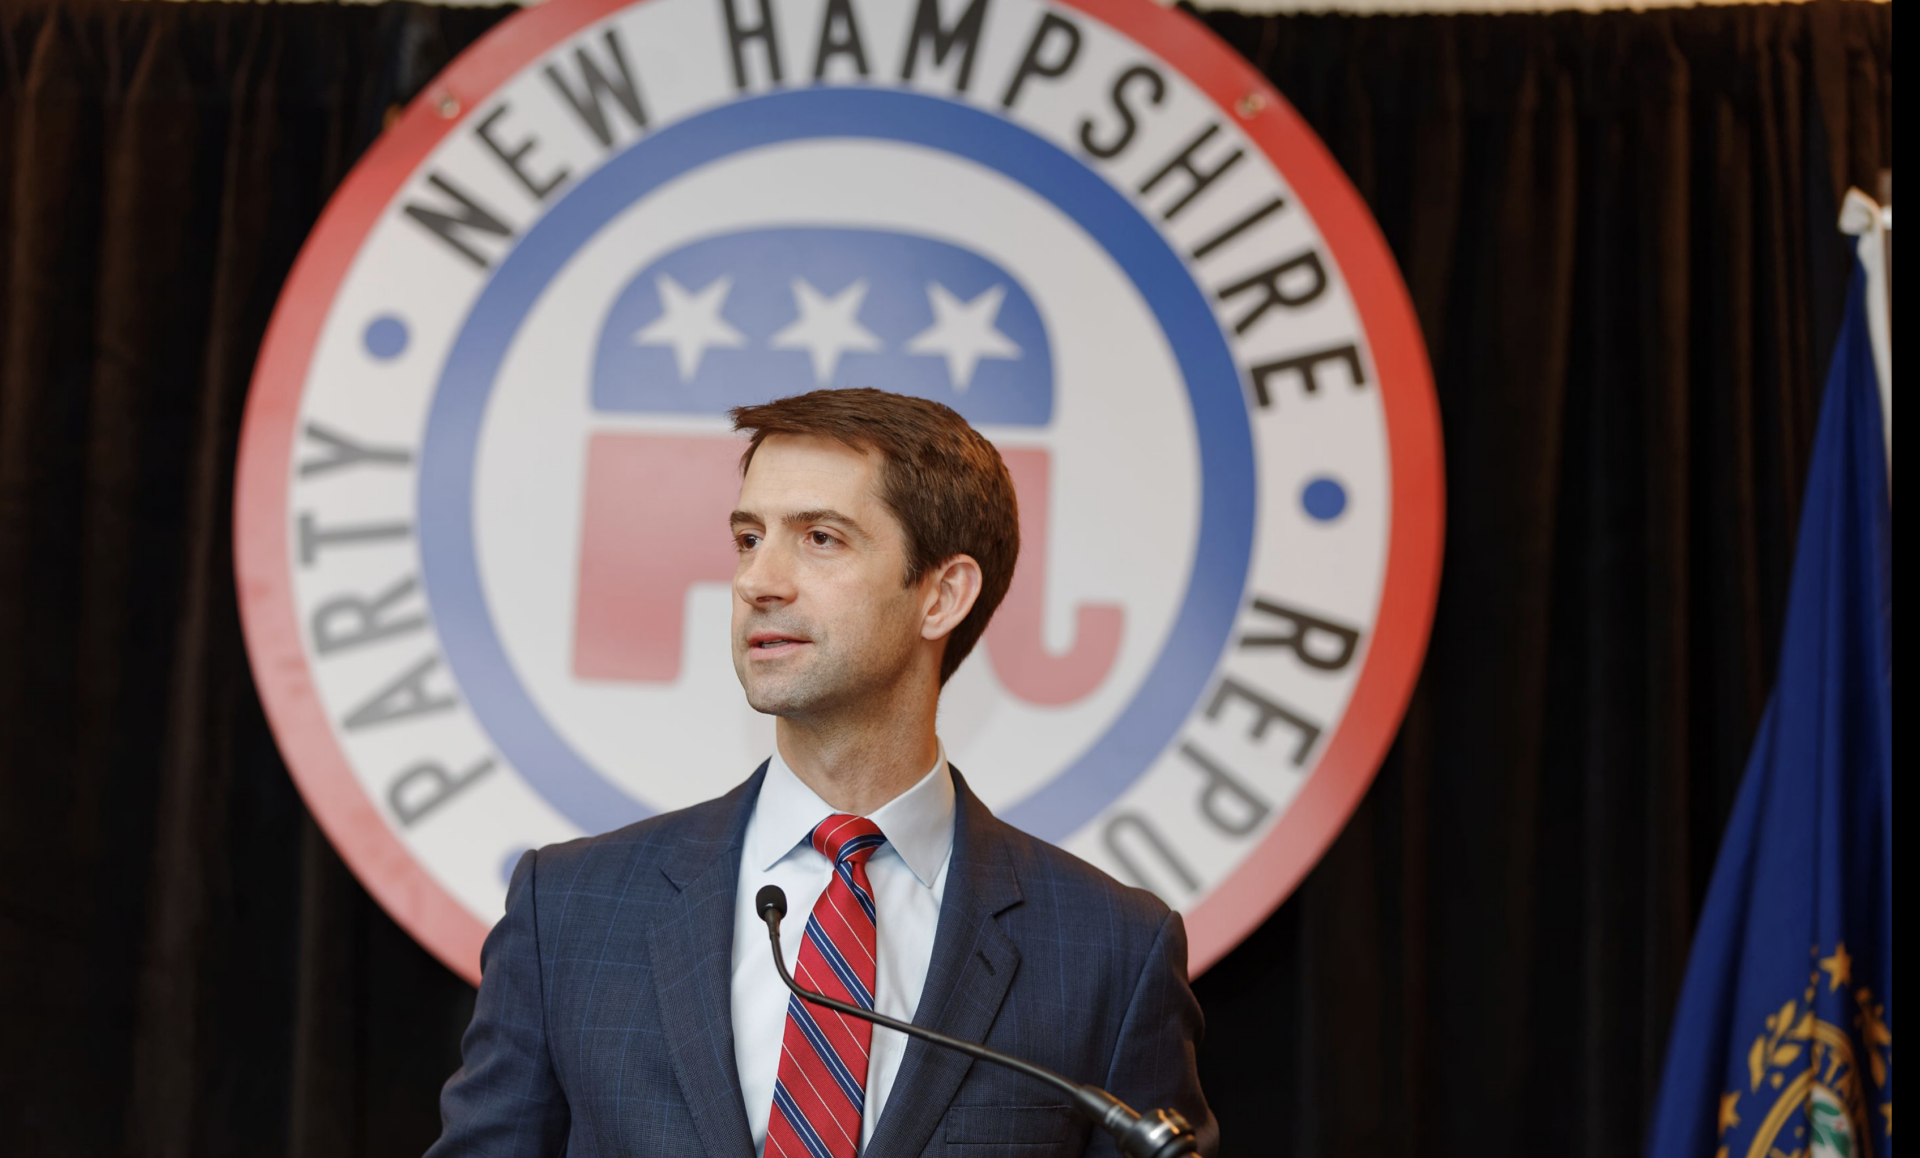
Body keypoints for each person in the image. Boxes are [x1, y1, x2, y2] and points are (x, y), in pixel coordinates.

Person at [428, 388, 1217, 1158]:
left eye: (820, 539)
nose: (755, 582)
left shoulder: (1109, 950)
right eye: (747, 538)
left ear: (942, 596)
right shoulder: (569, 911)